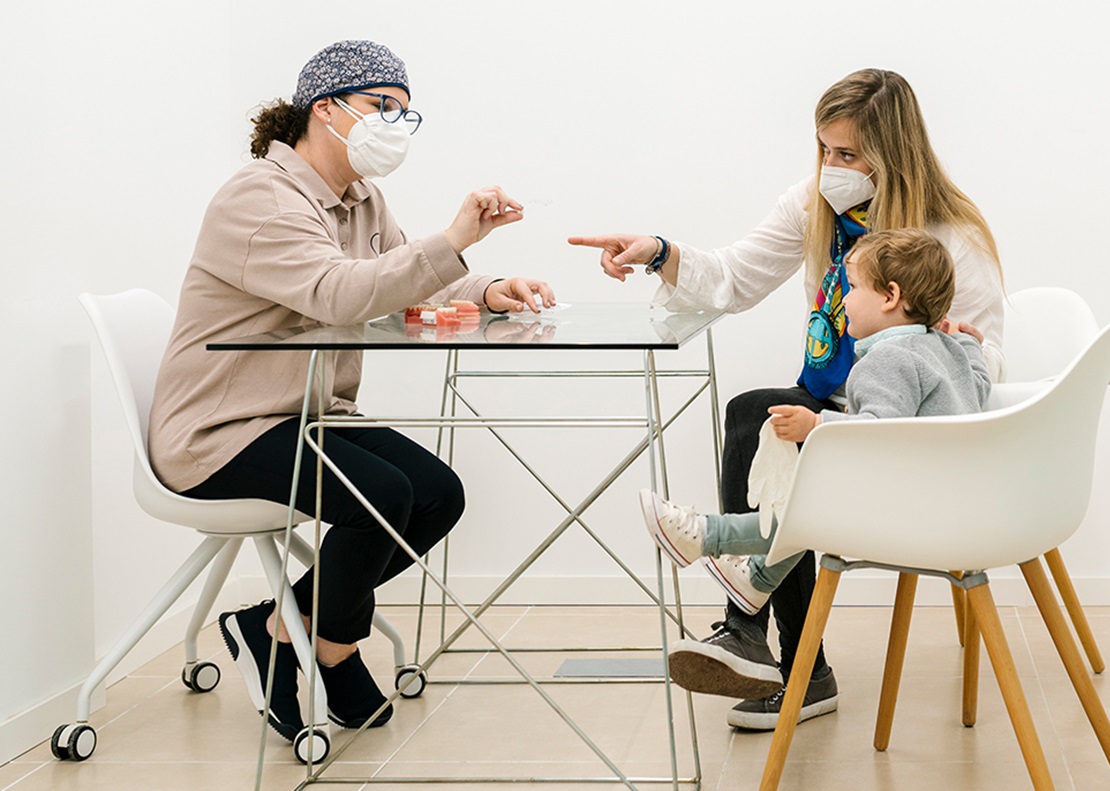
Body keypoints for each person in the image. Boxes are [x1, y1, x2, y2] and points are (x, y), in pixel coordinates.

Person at [569, 69, 1004, 731]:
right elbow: (734, 276)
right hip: (844, 394)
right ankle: (762, 646)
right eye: (824, 149)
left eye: (849, 154)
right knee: (759, 412)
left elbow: (988, 367)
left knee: (778, 428)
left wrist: (959, 337)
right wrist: (658, 252)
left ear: (894, 154)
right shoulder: (815, 204)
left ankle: (785, 658)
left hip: (909, 428)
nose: (831, 167)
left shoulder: (952, 233)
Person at [148, 39, 553, 743]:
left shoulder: (361, 198)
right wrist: (454, 236)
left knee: (437, 494)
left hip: (305, 416)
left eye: (404, 111)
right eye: (381, 107)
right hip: (224, 429)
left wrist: (487, 286)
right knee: (383, 498)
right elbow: (339, 295)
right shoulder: (259, 198)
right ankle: (332, 645)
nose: (395, 124)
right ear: (325, 109)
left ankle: (283, 628)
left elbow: (402, 277)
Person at [638, 228, 991, 724]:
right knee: (814, 499)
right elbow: (978, 387)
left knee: (814, 499)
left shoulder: (885, 362)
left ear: (891, 297)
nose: (842, 301)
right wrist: (971, 346)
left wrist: (818, 424)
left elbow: (877, 437)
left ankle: (709, 537)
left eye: (852, 289)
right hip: (959, 508)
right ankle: (747, 573)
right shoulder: (945, 352)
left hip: (910, 515)